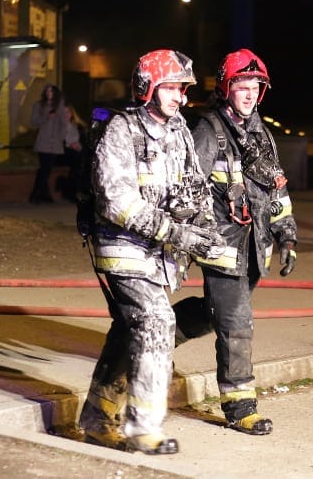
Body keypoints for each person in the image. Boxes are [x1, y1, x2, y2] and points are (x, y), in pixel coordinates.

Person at [77, 49, 225, 455]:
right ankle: (143, 428)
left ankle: (96, 416)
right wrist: (176, 233)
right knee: (157, 321)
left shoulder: (179, 132)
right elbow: (115, 201)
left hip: (162, 253)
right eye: (172, 87)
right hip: (121, 249)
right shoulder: (122, 131)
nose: (180, 96)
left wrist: (205, 230)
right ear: (148, 87)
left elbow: (196, 187)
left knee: (129, 329)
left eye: (182, 88)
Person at [174, 48, 298, 436]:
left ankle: (154, 334)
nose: (249, 93)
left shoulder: (261, 132)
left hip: (255, 249)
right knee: (237, 323)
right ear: (226, 89)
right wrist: (196, 238)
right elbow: (188, 189)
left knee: (218, 314)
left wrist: (287, 235)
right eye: (241, 86)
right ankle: (240, 406)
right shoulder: (208, 132)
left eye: (255, 86)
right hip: (222, 247)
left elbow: (275, 188)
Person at [29, 84, 67, 203]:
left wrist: (60, 138)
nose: (49, 93)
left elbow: (63, 124)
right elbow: (34, 121)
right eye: (47, 91)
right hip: (43, 142)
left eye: (51, 91)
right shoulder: (39, 105)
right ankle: (36, 195)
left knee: (46, 170)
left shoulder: (59, 106)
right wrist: (46, 117)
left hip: (55, 143)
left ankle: (42, 195)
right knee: (44, 169)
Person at [56, 103, 87, 202]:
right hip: (63, 153)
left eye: (68, 112)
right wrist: (69, 145)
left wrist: (78, 146)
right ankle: (72, 193)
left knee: (80, 163)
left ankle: (72, 191)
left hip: (77, 152)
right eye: (64, 112)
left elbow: (84, 141)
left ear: (72, 113)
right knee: (78, 161)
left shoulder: (78, 126)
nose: (66, 114)